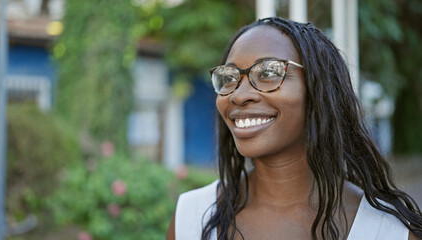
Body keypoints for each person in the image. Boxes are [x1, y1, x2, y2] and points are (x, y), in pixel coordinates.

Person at [166, 17, 422, 240]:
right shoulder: (192, 217)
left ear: (319, 90)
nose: (238, 95)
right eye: (229, 77)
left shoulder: (389, 231)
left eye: (268, 72)